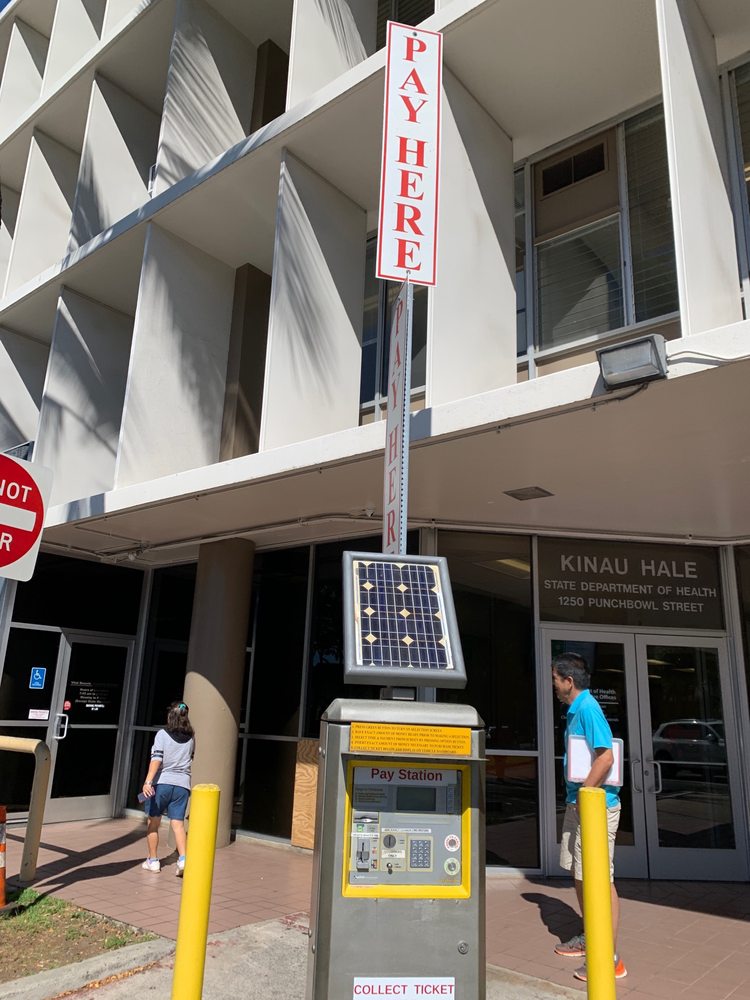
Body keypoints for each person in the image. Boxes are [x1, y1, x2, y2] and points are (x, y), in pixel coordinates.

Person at [551, 652, 626, 981]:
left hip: (595, 806)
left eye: (555, 679)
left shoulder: (589, 708)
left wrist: (586, 795)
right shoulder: (574, 711)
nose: (553, 685)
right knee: (580, 875)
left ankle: (608, 957)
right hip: (579, 803)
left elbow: (606, 757)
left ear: (569, 682)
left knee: (599, 878)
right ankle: (590, 935)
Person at [140, 701, 195, 876]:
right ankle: (184, 859)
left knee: (153, 823)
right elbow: (191, 758)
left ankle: (153, 860)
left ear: (170, 716)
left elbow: (157, 759)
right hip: (183, 785)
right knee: (178, 824)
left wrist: (148, 781)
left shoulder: (162, 735)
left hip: (162, 783)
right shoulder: (192, 737)